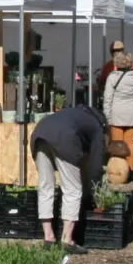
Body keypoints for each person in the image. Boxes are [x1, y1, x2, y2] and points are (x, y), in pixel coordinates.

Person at [31, 103, 104, 253]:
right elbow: (96, 165)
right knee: (73, 189)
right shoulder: (97, 126)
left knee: (46, 186)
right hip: (64, 137)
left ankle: (48, 237)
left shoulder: (73, 114)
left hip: (40, 132)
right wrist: (95, 189)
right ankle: (67, 239)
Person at [101, 45, 133, 177]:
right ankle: (130, 168)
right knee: (130, 142)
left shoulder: (113, 77)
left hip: (117, 112)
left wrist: (107, 116)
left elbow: (108, 99)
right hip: (132, 112)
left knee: (117, 144)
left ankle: (119, 170)